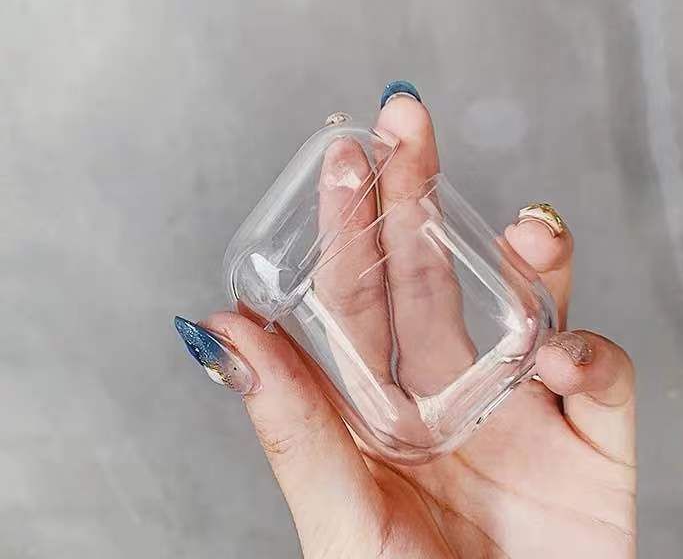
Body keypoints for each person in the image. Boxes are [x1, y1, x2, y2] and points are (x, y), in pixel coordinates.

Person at [175, 82, 636, 558]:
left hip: (456, 407)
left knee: (528, 324)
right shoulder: (407, 434)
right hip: (424, 425)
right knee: (523, 326)